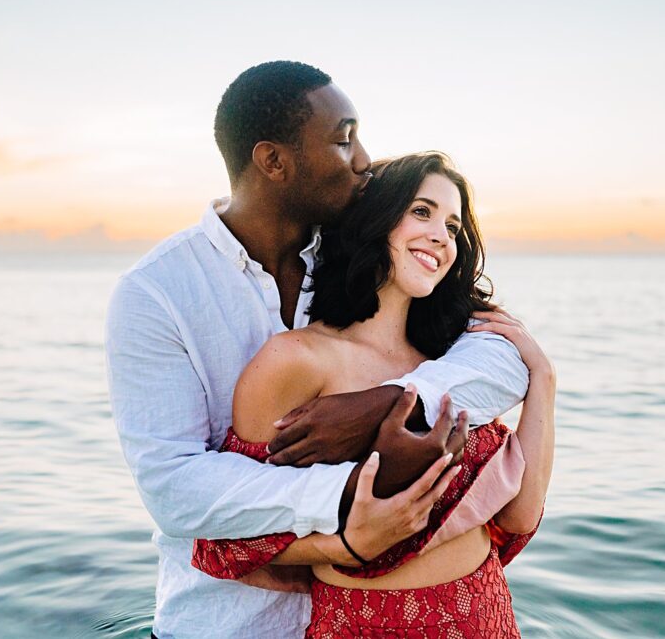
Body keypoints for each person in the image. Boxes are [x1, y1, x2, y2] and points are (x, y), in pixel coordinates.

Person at [105, 61, 531, 639]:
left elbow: (502, 358)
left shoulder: (356, 264)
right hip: (229, 622)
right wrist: (352, 503)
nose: (362, 160)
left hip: (351, 615)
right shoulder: (158, 291)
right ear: (274, 161)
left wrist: (389, 403)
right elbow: (172, 488)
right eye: (343, 139)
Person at [192, 152, 556, 638]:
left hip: (483, 615)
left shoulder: (450, 362)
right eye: (421, 211)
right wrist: (350, 541)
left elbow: (519, 513)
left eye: (453, 226)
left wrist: (544, 380)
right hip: (363, 624)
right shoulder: (296, 360)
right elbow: (228, 535)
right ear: (374, 218)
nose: (441, 237)